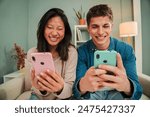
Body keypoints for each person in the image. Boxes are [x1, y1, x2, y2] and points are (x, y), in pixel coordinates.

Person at [73, 4, 142, 100]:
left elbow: (138, 92)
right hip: (92, 96)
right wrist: (82, 85)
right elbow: (76, 92)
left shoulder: (126, 50)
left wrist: (127, 86)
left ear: (111, 27)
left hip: (118, 95)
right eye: (95, 27)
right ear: (88, 28)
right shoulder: (81, 51)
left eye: (105, 26)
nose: (100, 32)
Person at [26, 8, 77, 99]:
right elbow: (34, 87)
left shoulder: (71, 52)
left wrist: (60, 89)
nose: (54, 33)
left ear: (65, 32)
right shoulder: (32, 53)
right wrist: (41, 88)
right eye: (49, 27)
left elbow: (69, 89)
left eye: (60, 29)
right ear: (43, 29)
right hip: (38, 97)